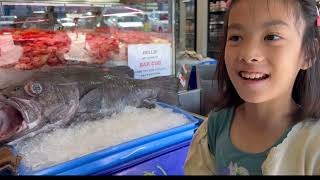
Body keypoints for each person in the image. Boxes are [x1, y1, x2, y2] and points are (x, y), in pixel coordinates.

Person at [184, 0, 320, 175]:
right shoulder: (214, 127)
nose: (249, 55)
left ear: (308, 53)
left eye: (271, 37)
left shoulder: (314, 146)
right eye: (236, 37)